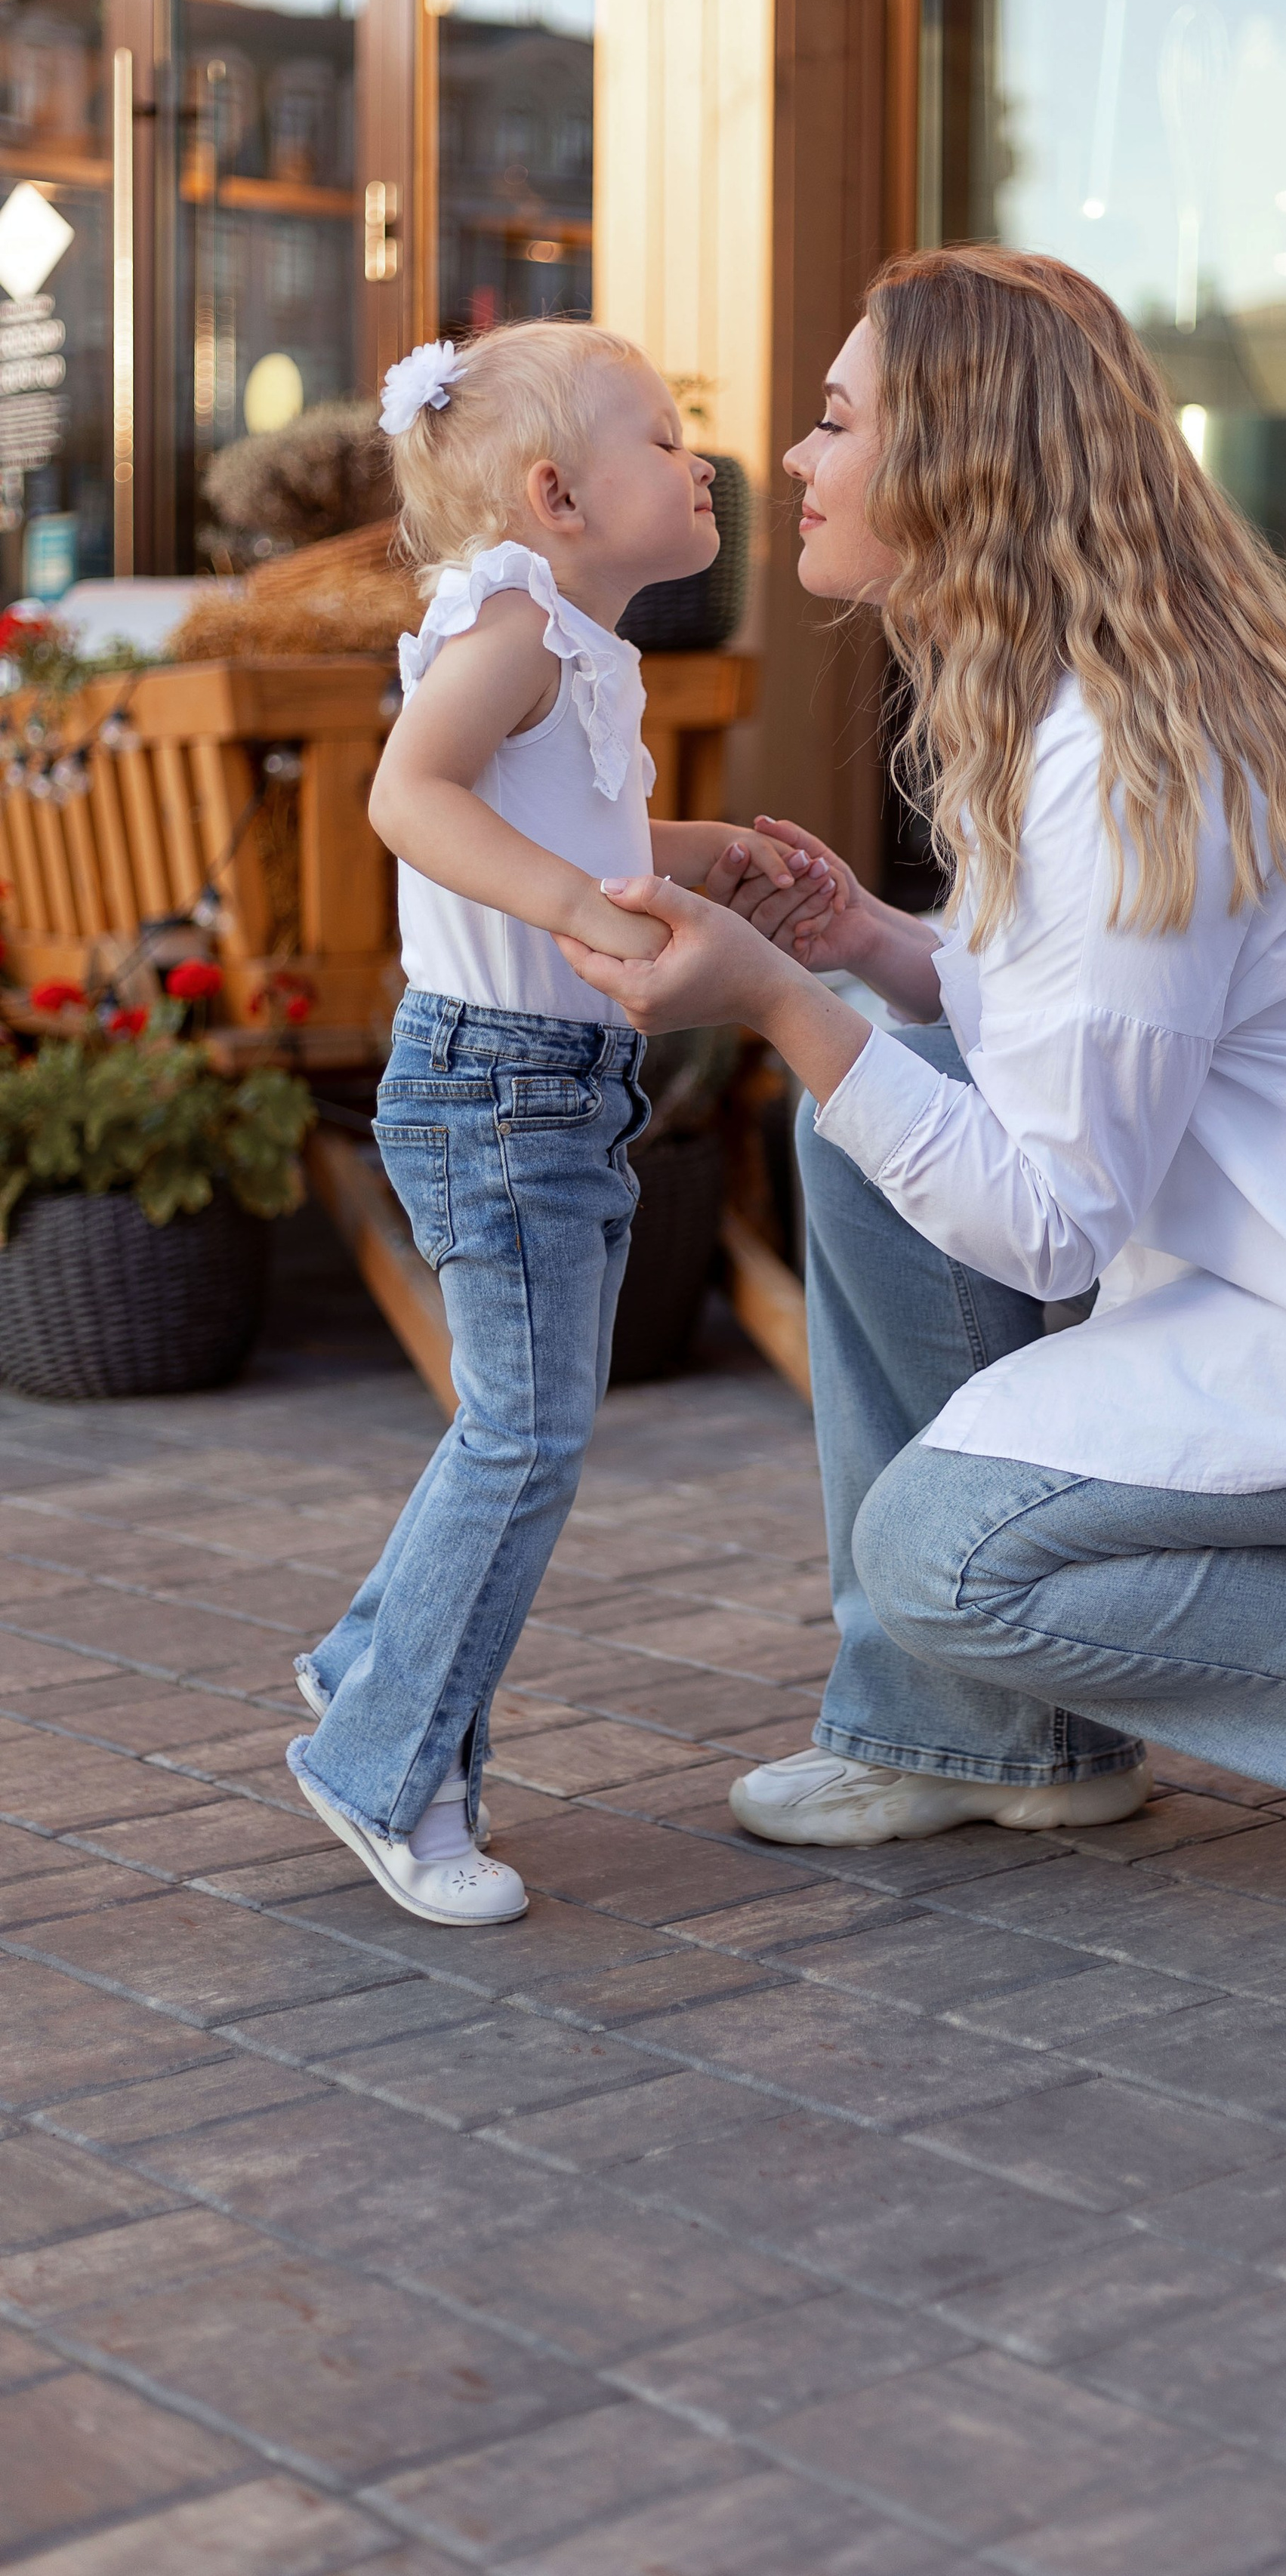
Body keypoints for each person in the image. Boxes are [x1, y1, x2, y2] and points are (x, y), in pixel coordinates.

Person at [563, 247, 1286, 1905]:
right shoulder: (1125, 704)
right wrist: (872, 945)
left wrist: (771, 994)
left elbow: (1049, 1221)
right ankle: (984, 1742)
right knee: (873, 1115)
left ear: (958, 461)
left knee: (938, 1547)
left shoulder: (1130, 763)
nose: (795, 462)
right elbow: (1100, 1023)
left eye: (834, 422)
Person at [288, 320, 836, 1927]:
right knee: (524, 1434)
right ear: (556, 493)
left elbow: (562, 817)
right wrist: (575, 916)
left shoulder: (578, 645)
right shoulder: (516, 620)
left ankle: (360, 1666)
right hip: (499, 1078)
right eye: (663, 437)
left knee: (517, 1424)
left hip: (546, 1086)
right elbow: (414, 794)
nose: (704, 458)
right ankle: (382, 1761)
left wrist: (696, 846)